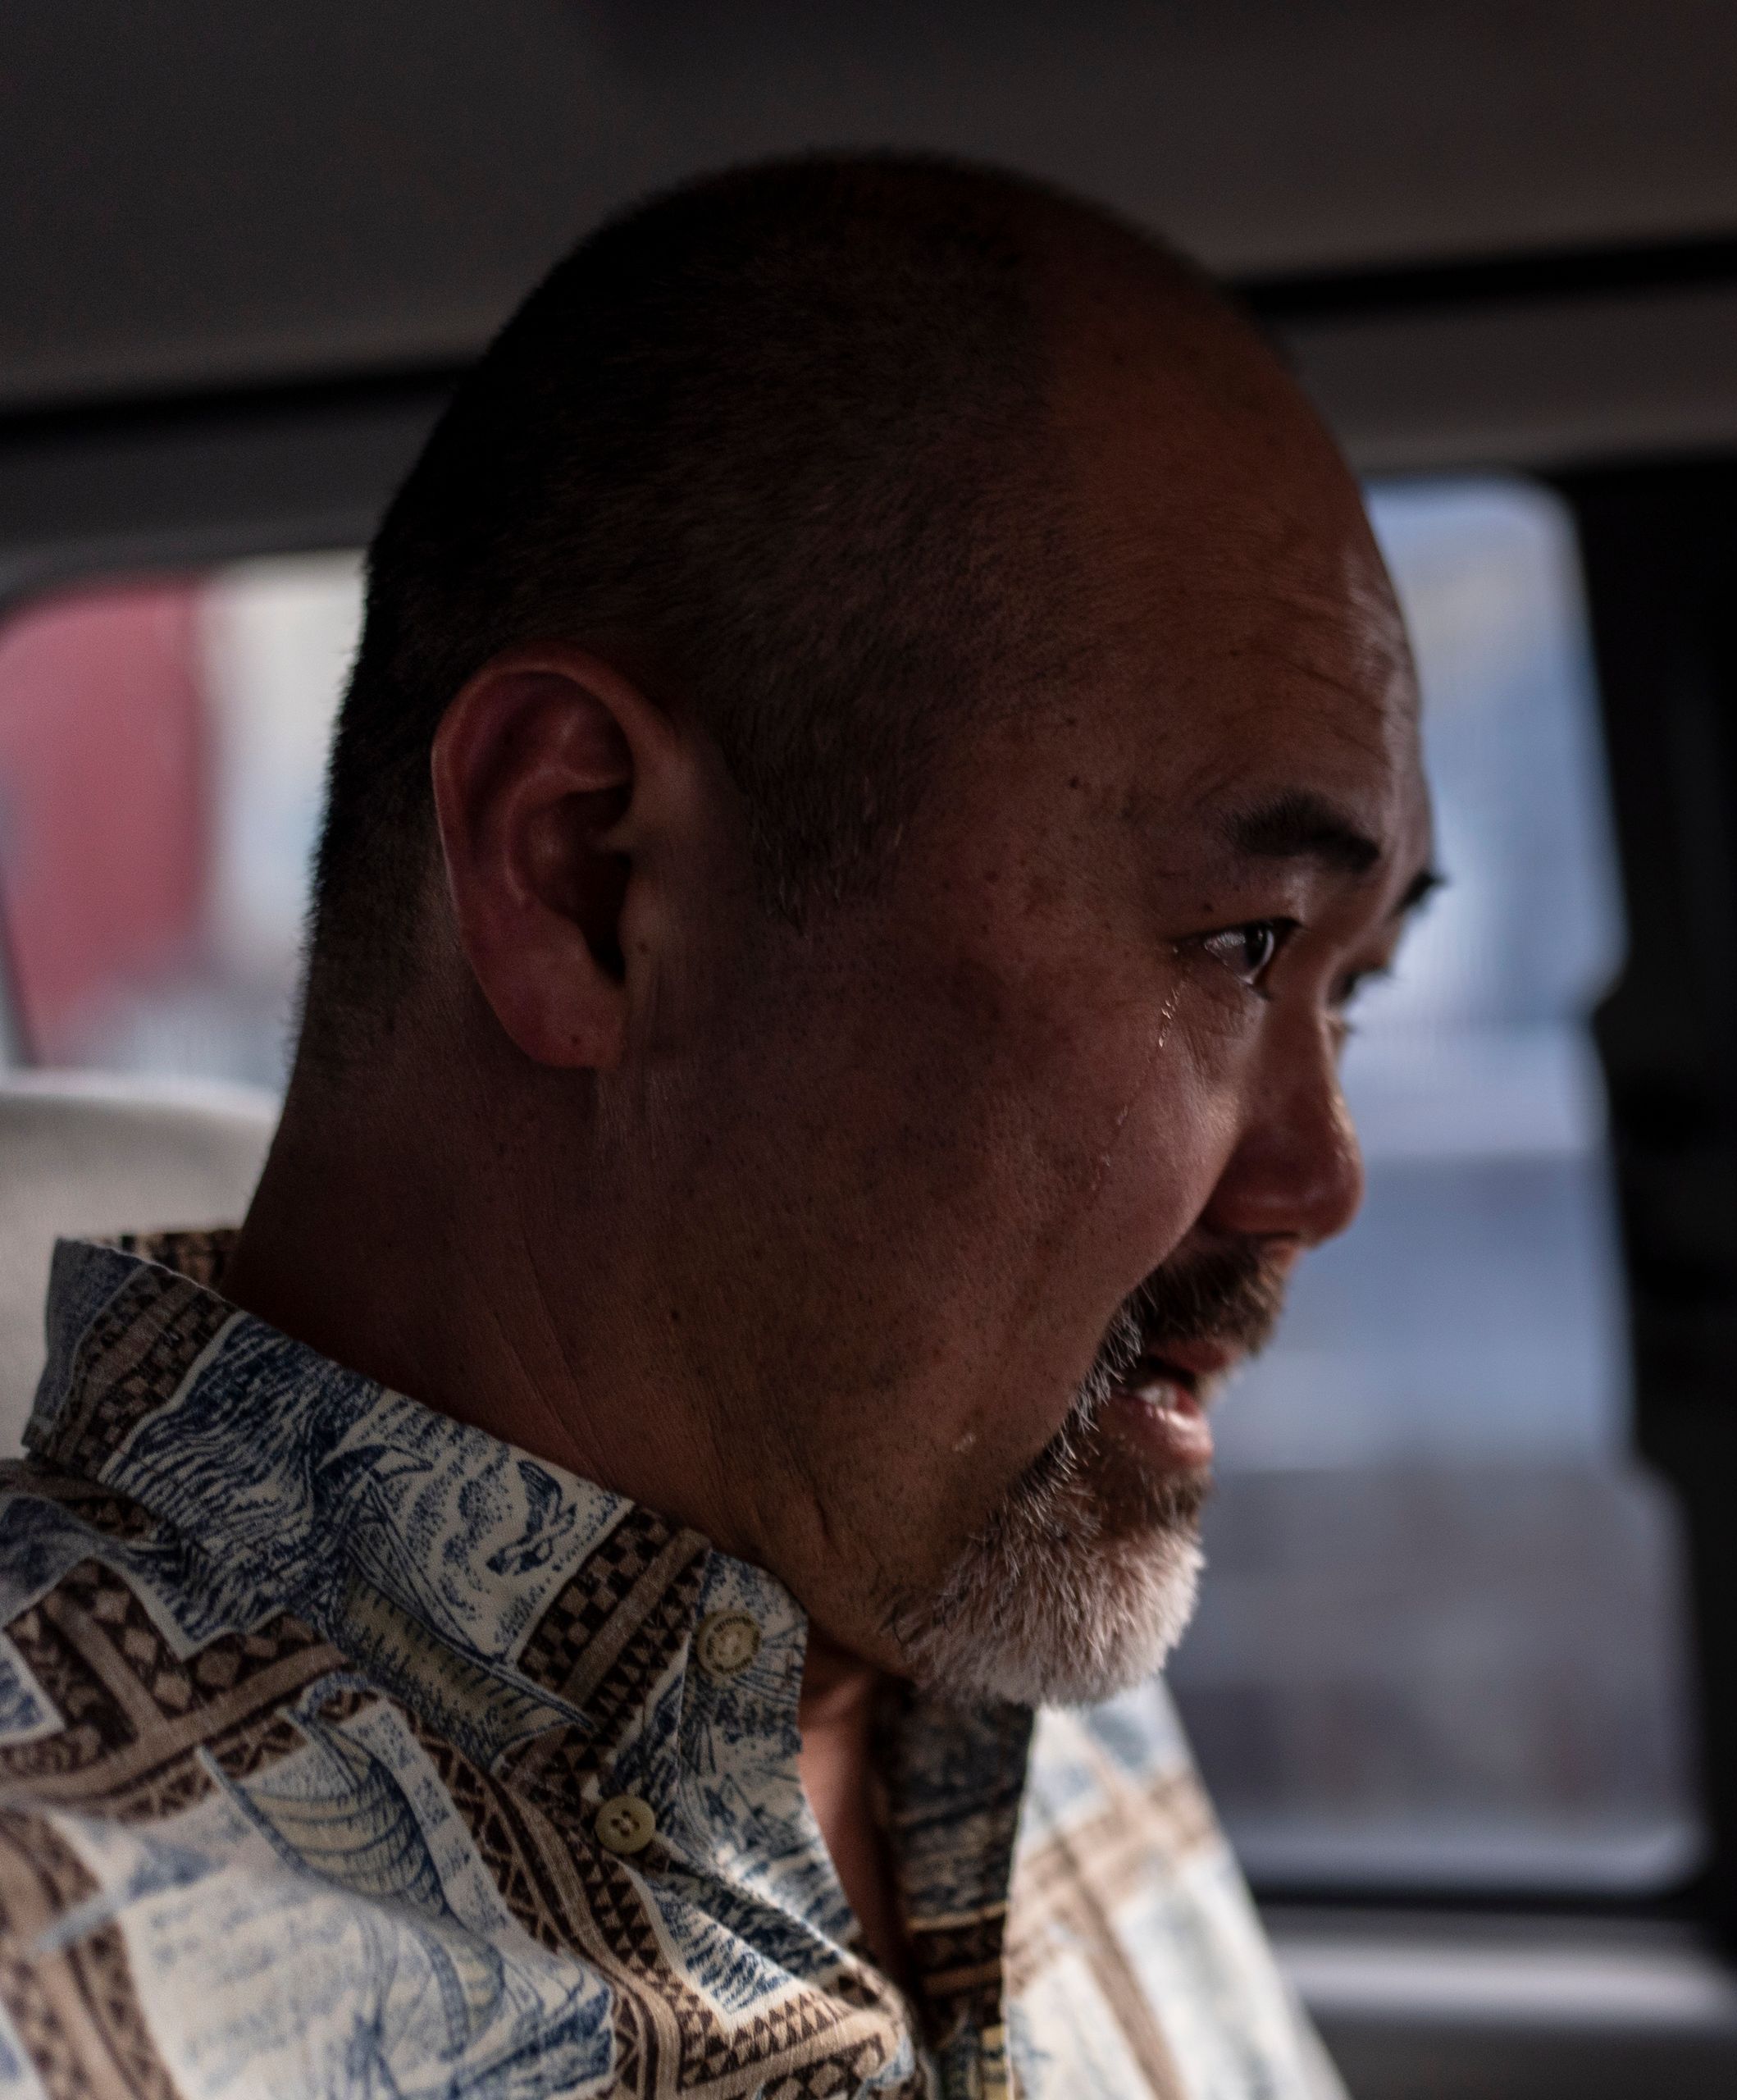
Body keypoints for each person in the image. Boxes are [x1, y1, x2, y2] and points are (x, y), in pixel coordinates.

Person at [0, 153, 1429, 2097]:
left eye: (1356, 986)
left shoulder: (1003, 1628)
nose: (1321, 1178)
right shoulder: (44, 1946)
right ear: (587, 875)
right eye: (1241, 943)